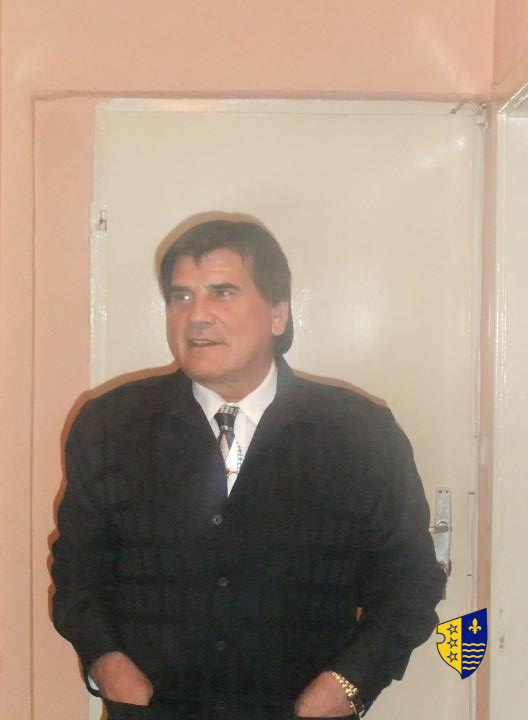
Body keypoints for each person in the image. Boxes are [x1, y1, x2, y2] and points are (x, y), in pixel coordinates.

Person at [52, 217, 446, 720]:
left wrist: (348, 684)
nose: (196, 316)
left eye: (222, 293)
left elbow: (409, 584)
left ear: (278, 313)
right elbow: (78, 572)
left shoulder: (359, 433)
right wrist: (107, 663)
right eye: (181, 296)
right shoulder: (111, 426)